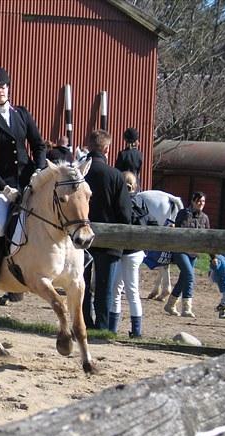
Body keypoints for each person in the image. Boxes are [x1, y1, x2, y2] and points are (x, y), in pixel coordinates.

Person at [0, 65, 46, 294]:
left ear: (8, 87)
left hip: (28, 180)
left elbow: (38, 145)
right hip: (1, 184)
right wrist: (3, 188)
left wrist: (38, 169)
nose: (0, 91)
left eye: (2, 86)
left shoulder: (22, 114)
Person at [81, 129, 132, 330]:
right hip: (108, 239)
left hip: (80, 238)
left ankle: (83, 321)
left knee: (81, 285)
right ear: (107, 148)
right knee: (104, 287)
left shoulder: (78, 172)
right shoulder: (115, 176)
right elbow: (125, 213)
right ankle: (102, 325)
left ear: (88, 146)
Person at [108, 172, 145, 337]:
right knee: (123, 289)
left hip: (128, 252)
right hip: (134, 252)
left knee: (125, 289)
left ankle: (132, 331)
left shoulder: (124, 202)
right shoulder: (139, 201)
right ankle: (120, 329)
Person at [164, 191, 210, 317]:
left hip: (193, 253)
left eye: (203, 201)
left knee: (183, 278)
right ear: (193, 201)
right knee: (189, 276)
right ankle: (186, 308)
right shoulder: (184, 213)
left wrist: (213, 257)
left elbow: (209, 237)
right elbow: (181, 230)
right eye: (199, 201)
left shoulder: (205, 218)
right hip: (181, 250)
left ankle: (170, 305)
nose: (201, 204)